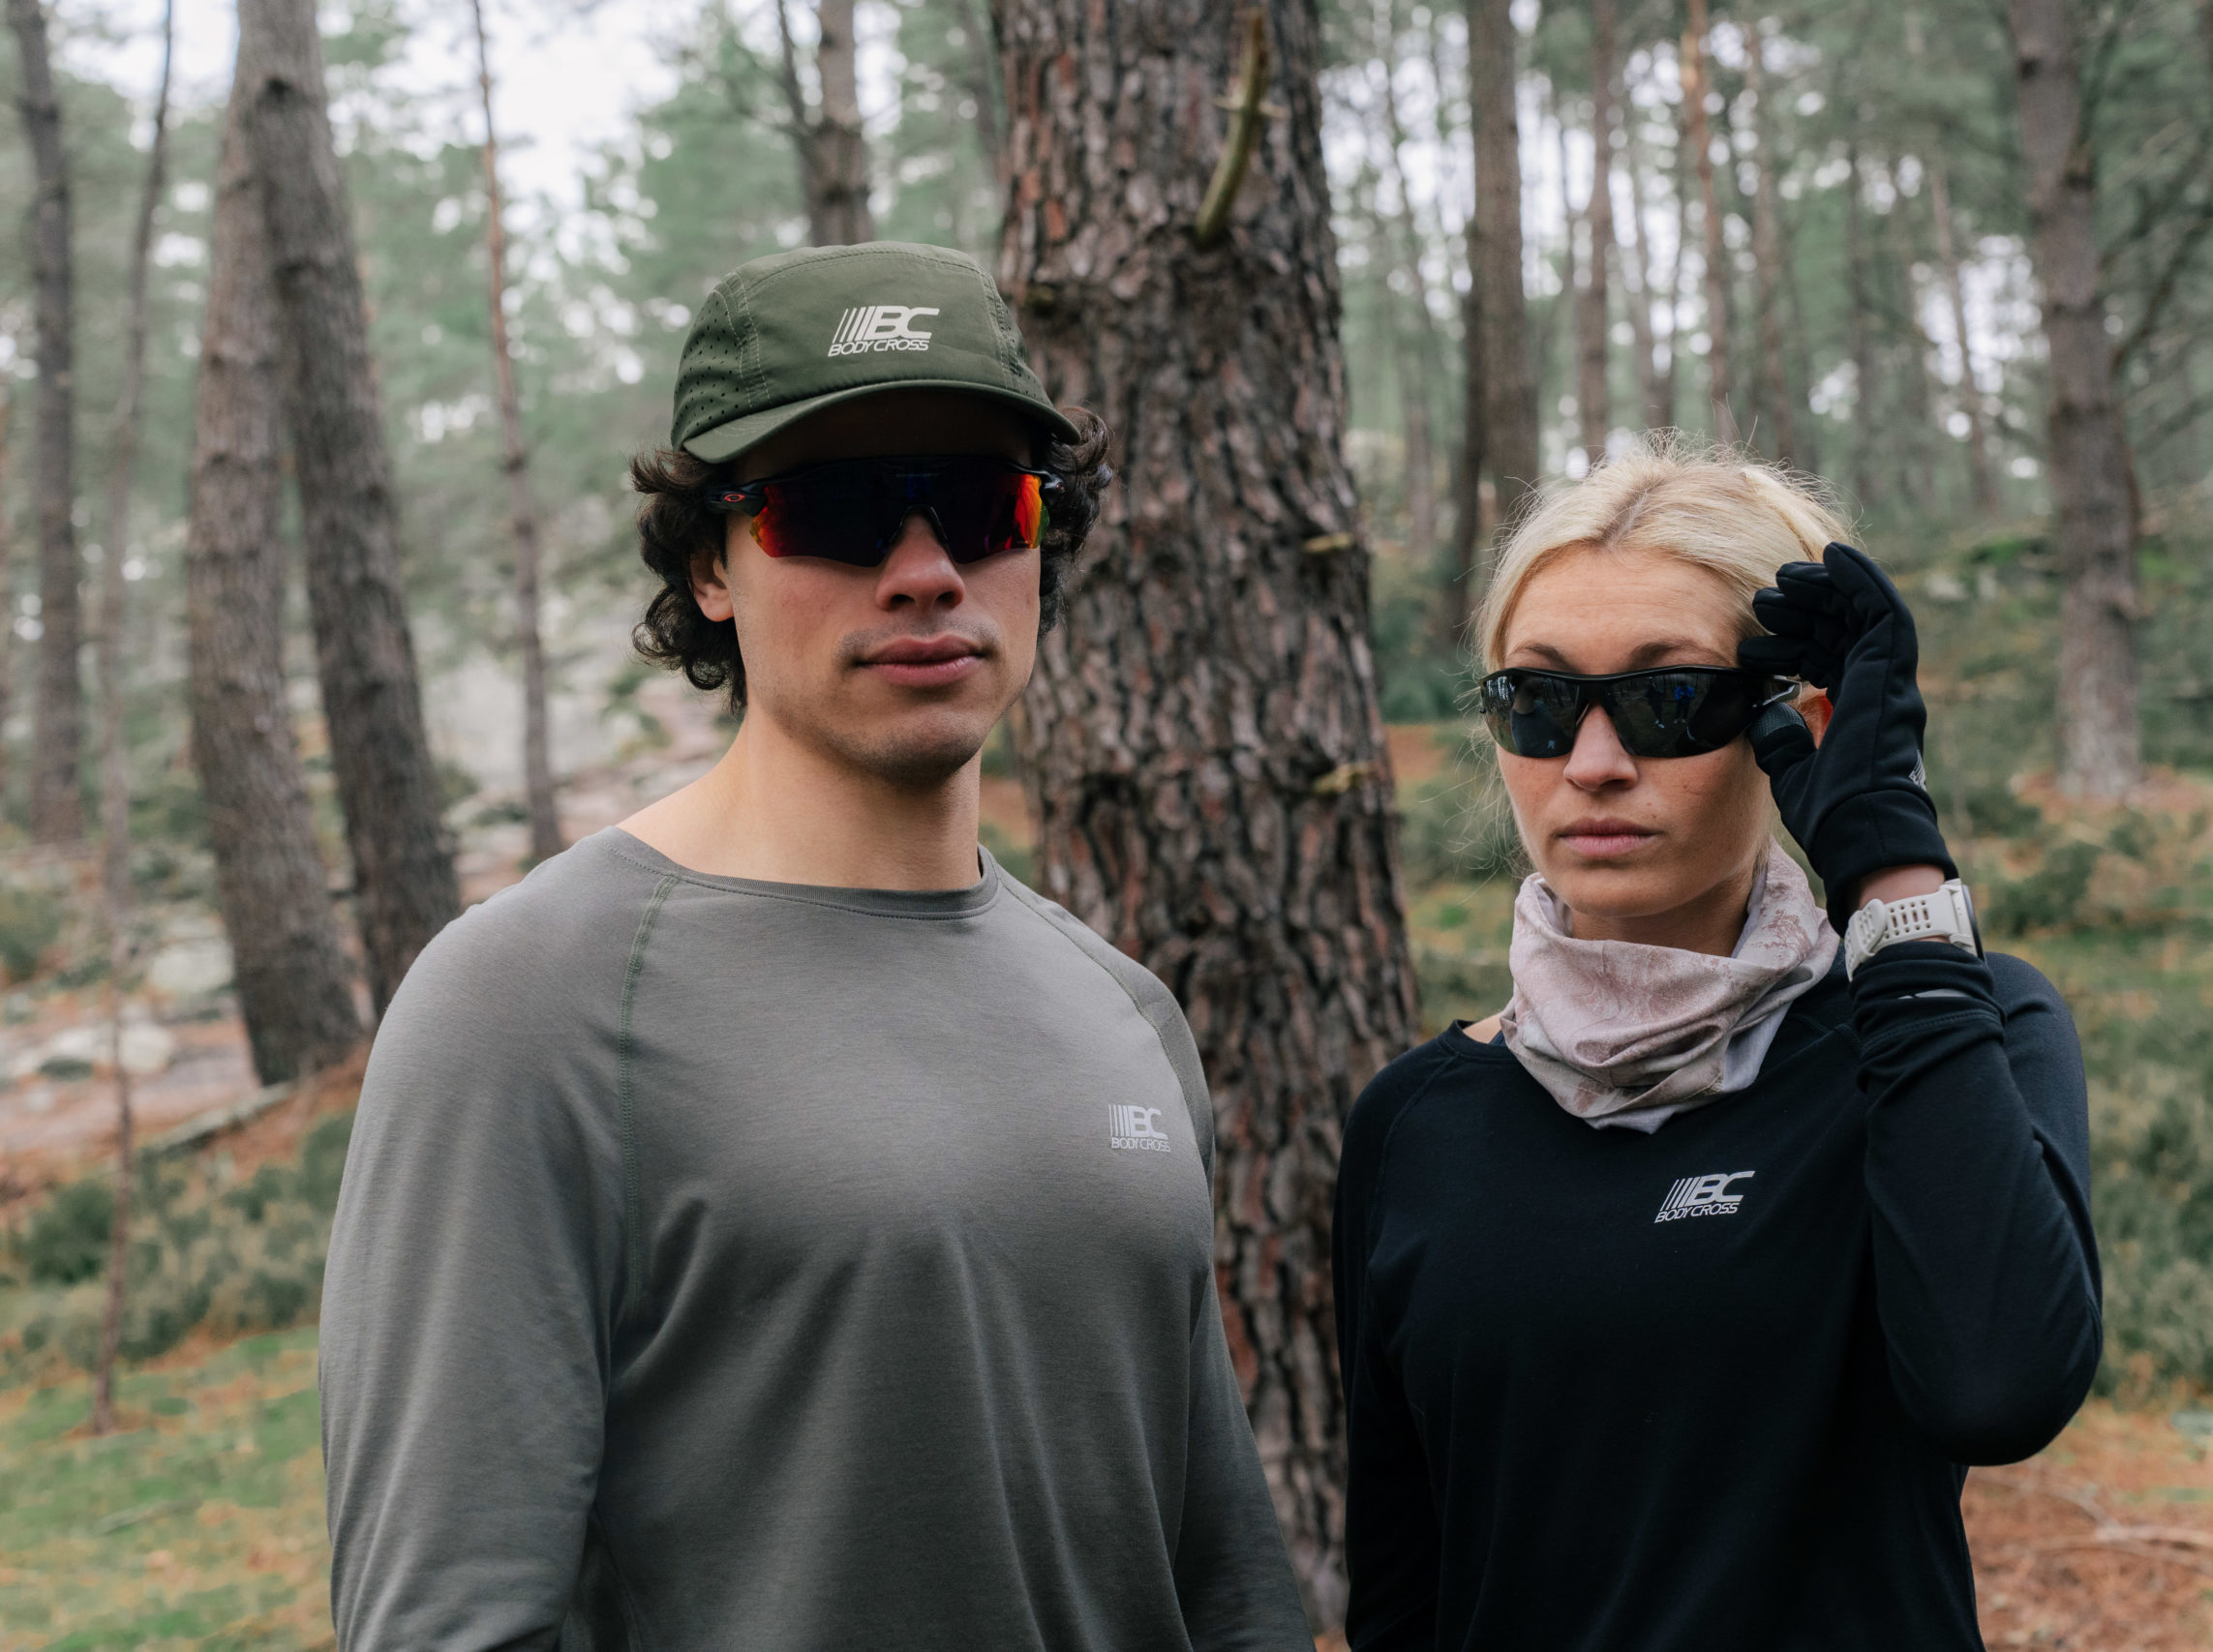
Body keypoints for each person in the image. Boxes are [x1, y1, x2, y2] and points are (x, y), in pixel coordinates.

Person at [319, 242, 1311, 1651]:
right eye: (835, 512)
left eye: (982, 507)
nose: (925, 573)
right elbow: (446, 1618)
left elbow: (1223, 1587)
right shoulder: (529, 1004)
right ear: (709, 564)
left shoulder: (1125, 1011)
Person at [1334, 439, 2101, 1651]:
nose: (1593, 765)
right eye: (1537, 702)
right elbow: (1402, 1594)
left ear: (1796, 723)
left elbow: (1996, 1386)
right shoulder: (1415, 1124)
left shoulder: (1955, 1030)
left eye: (1671, 700)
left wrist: (1888, 864)